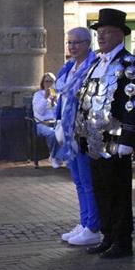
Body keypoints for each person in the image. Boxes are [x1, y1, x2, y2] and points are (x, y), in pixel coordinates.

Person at [72, 8, 135, 259]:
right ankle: (108, 236)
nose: (101, 37)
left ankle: (122, 241)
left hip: (115, 141)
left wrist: (128, 137)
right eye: (99, 32)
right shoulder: (96, 63)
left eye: (107, 32)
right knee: (101, 190)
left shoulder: (129, 64)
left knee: (118, 193)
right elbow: (86, 99)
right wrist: (79, 133)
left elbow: (134, 102)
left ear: (120, 35)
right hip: (94, 140)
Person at [54, 27, 99, 245]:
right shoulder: (69, 68)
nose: (72, 47)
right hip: (69, 132)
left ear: (87, 43)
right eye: (69, 42)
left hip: (83, 132)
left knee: (88, 182)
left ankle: (93, 226)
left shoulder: (92, 66)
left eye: (77, 42)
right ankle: (84, 222)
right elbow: (62, 99)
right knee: (79, 181)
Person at [31, 72, 60, 166]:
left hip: (55, 122)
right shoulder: (38, 95)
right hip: (41, 123)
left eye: (51, 82)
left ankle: (65, 157)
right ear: (43, 83)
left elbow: (59, 112)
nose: (49, 84)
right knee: (52, 134)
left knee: (66, 133)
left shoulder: (57, 94)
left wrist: (54, 102)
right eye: (46, 81)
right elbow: (39, 111)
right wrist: (45, 98)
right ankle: (54, 156)